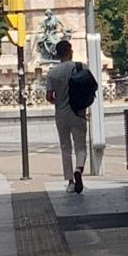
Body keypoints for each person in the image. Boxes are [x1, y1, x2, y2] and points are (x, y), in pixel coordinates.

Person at [45, 39, 88, 193]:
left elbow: (49, 96)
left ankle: (70, 181)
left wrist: (59, 101)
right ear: (70, 51)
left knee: (65, 147)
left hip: (61, 114)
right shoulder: (81, 67)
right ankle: (79, 168)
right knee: (81, 146)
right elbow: (91, 87)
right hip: (78, 112)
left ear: (57, 54)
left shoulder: (53, 73)